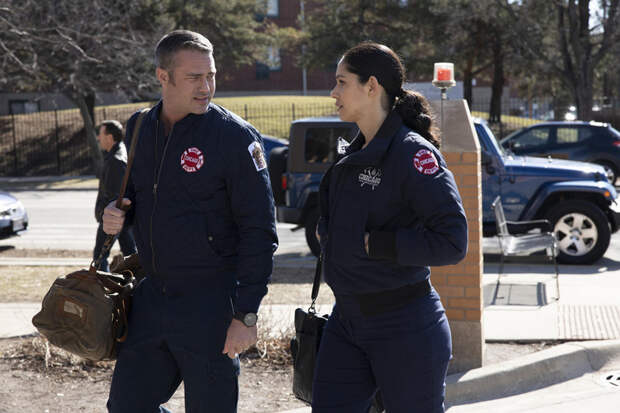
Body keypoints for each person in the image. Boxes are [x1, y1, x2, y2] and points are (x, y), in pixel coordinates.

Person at [102, 30, 278, 412]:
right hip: (152, 297)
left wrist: (246, 313)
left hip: (211, 305)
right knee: (125, 407)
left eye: (211, 75)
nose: (207, 87)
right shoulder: (139, 126)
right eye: (195, 77)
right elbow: (131, 196)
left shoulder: (234, 137)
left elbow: (260, 231)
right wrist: (116, 214)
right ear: (163, 77)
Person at [312, 42, 468, 413]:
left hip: (405, 327)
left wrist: (374, 244)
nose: (333, 92)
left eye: (341, 82)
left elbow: (452, 240)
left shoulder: (412, 153)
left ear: (372, 87)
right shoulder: (354, 152)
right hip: (346, 320)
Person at [93, 120, 137, 271]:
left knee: (99, 257)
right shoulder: (117, 154)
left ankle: (101, 291)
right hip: (121, 218)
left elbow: (115, 196)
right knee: (131, 256)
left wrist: (103, 213)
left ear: (109, 137)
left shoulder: (116, 160)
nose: (98, 138)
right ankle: (138, 284)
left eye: (100, 134)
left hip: (112, 217)